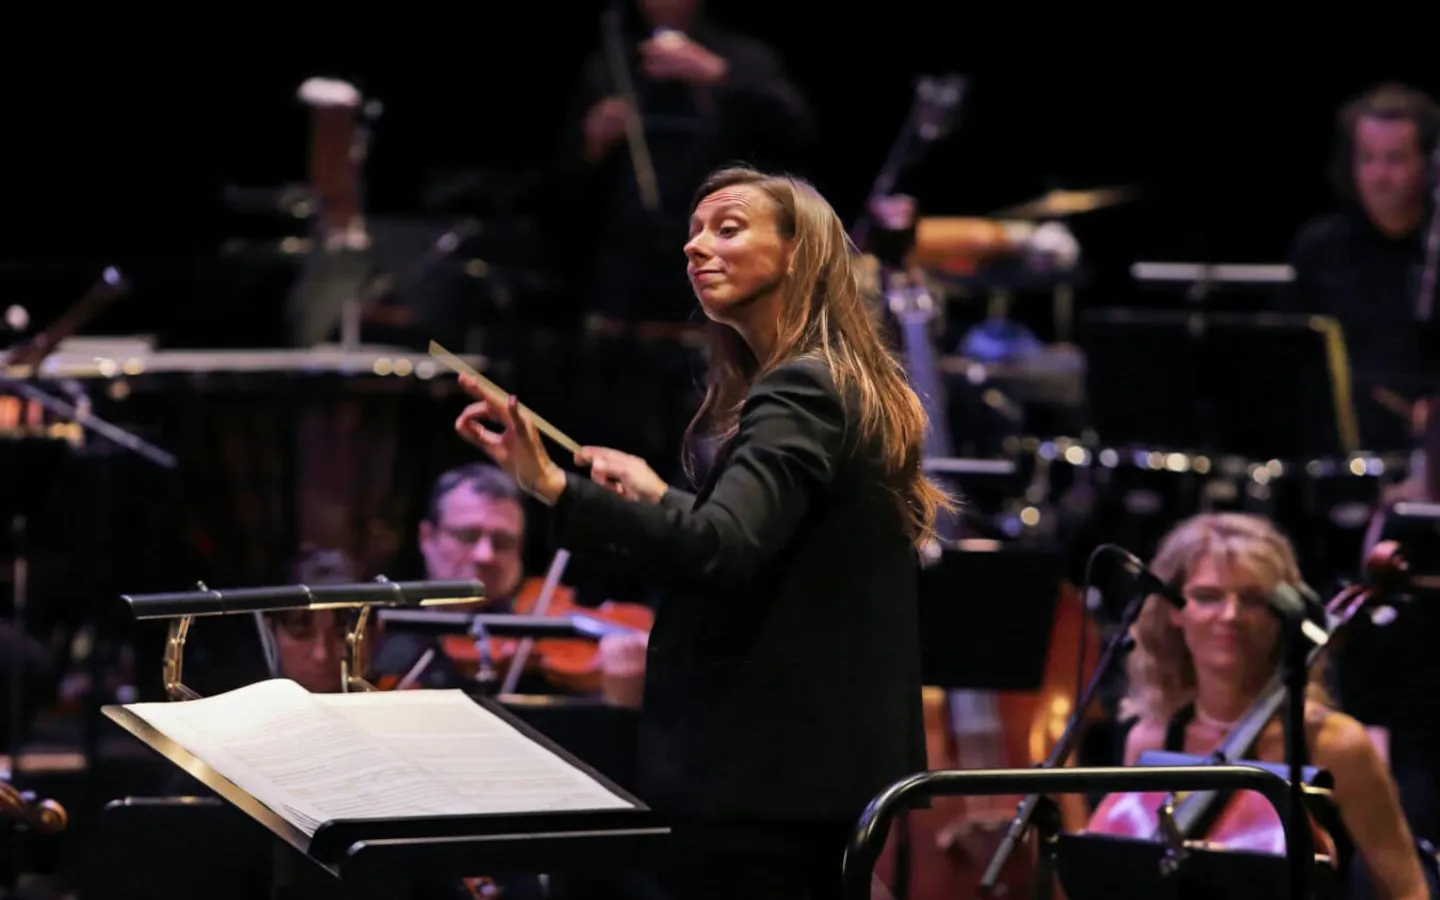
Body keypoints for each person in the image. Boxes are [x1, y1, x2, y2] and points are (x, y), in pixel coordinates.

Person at [453, 165, 945, 899]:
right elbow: (762, 543)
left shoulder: (801, 387)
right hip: (804, 773)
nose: (694, 247)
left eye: (728, 227)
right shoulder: (833, 382)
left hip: (766, 779)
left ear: (795, 254)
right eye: (693, 233)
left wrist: (554, 488)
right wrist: (660, 498)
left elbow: (722, 548)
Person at [549, 0, 816, 483]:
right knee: (613, 450)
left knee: (705, 462)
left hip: (715, 309)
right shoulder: (612, 65)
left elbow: (797, 134)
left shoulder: (741, 58)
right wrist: (591, 142)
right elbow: (563, 196)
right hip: (624, 303)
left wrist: (717, 75)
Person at [1105, 513, 1430, 900]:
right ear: (1174, 611)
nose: (1230, 616)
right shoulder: (1150, 741)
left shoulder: (1336, 745)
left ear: (1287, 614)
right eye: (1208, 596)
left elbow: (1407, 890)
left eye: (1255, 600)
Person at [1283, 82, 1440, 452]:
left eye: (1395, 159)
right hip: (1338, 455)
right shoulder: (1319, 248)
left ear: (1429, 164)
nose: (1379, 176)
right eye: (1367, 159)